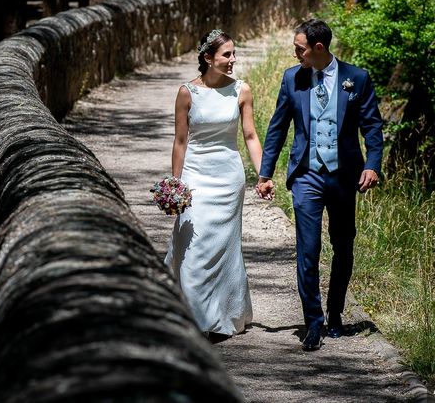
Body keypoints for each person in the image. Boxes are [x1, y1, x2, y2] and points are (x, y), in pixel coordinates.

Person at [256, 19, 384, 351]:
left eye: (299, 48)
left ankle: (336, 313)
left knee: (343, 245)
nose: (294, 53)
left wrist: (372, 165)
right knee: (308, 249)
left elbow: (372, 127)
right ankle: (313, 321)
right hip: (307, 176)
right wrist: (265, 173)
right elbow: (277, 128)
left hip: (344, 178)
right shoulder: (291, 79)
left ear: (318, 49)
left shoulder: (357, 79)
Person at [164, 29, 264, 339]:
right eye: (227, 55)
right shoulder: (186, 93)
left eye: (234, 54)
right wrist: (175, 184)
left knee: (223, 245)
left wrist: (263, 175)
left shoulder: (241, 91)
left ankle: (223, 313)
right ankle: (194, 317)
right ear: (208, 58)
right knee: (193, 245)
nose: (233, 60)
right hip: (195, 175)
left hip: (228, 177)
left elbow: (249, 135)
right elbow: (181, 141)